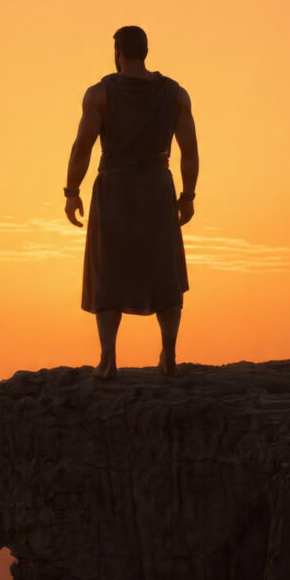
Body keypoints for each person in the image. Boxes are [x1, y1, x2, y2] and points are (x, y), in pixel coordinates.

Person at [64, 25, 199, 378]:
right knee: (164, 271)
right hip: (157, 185)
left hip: (115, 186)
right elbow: (190, 151)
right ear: (146, 51)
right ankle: (168, 355)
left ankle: (108, 361)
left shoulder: (99, 94)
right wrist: (188, 195)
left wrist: (71, 191)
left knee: (107, 270)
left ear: (117, 54)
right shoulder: (175, 94)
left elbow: (82, 147)